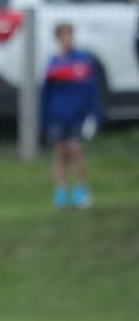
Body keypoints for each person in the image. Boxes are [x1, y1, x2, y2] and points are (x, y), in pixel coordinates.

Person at [40, 22, 101, 210]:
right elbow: (46, 94)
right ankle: (61, 192)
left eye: (70, 35)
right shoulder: (53, 63)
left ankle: (80, 190)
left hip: (77, 116)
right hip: (58, 116)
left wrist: (95, 115)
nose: (68, 40)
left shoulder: (83, 61)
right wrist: (43, 119)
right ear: (58, 39)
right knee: (60, 153)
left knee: (76, 150)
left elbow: (91, 90)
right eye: (64, 36)